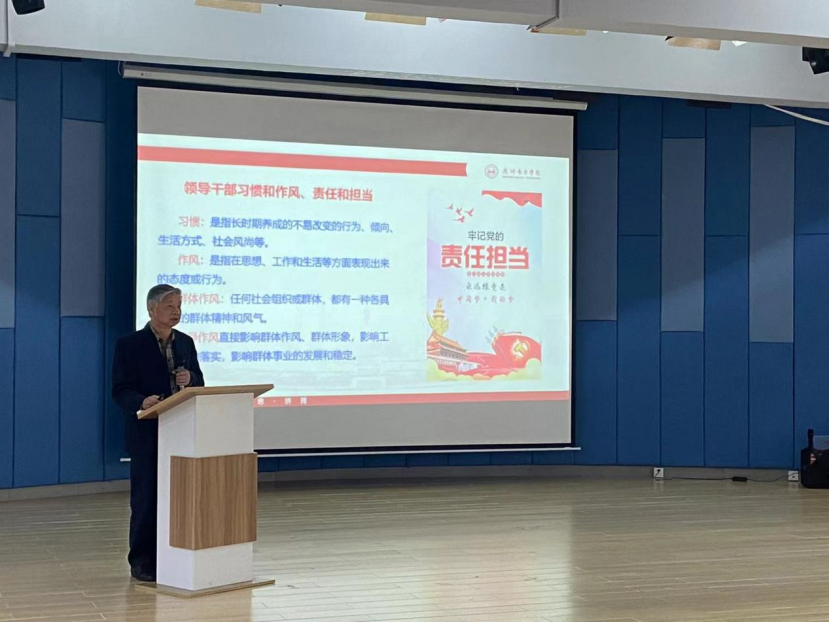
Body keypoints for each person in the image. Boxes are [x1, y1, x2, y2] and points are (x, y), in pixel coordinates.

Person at [112, 285, 205, 582]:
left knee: (178, 497)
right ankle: (141, 561)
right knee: (146, 499)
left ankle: (172, 556)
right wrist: (141, 402)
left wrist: (191, 378)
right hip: (147, 432)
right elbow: (120, 390)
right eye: (169, 306)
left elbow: (200, 382)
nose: (176, 311)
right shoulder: (130, 344)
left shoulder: (186, 343)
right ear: (151, 309)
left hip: (181, 430)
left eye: (179, 306)